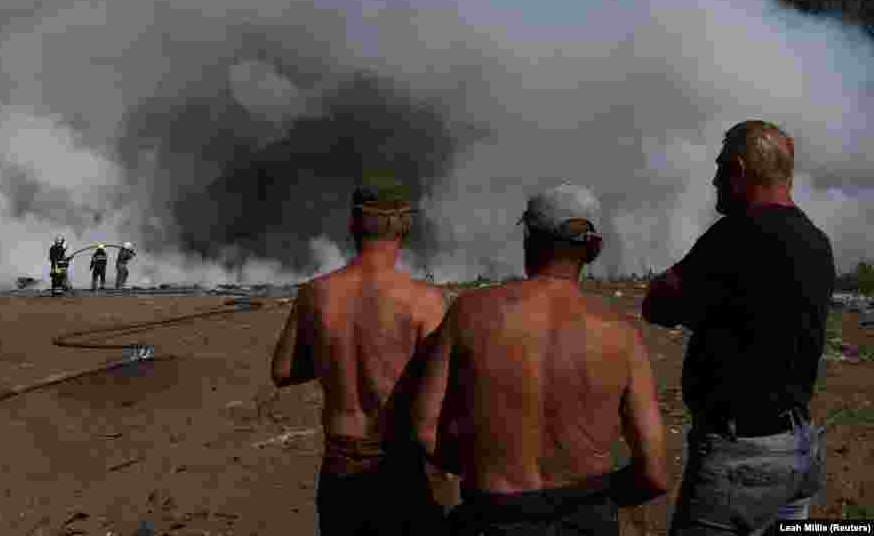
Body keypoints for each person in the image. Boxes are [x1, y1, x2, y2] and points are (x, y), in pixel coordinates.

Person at [413, 183, 669, 536]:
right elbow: (655, 474)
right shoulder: (621, 333)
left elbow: (425, 431)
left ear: (530, 240)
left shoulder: (470, 314)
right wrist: (598, 501)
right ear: (593, 248)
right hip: (586, 517)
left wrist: (480, 469)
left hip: (495, 515)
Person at [642, 121, 834, 535]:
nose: (714, 180)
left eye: (720, 167)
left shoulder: (734, 237)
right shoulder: (817, 241)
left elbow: (657, 305)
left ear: (741, 170)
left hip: (741, 458)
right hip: (799, 449)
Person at [270, 175, 452, 535]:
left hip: (341, 466)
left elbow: (283, 370)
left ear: (353, 223)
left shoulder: (315, 294)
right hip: (404, 467)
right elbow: (444, 388)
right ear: (404, 225)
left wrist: (333, 357)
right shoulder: (425, 302)